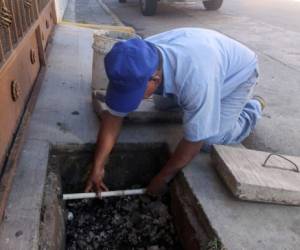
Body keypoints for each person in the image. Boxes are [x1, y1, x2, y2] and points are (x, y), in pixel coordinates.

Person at [85, 28, 265, 196]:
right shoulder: (139, 58)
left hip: (238, 73)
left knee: (210, 140)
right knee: (163, 105)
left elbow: (195, 141)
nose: (134, 100)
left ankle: (253, 108)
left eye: (136, 93)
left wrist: (162, 178)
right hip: (206, 59)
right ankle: (204, 105)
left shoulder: (197, 80)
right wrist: (98, 166)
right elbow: (114, 116)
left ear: (155, 79)